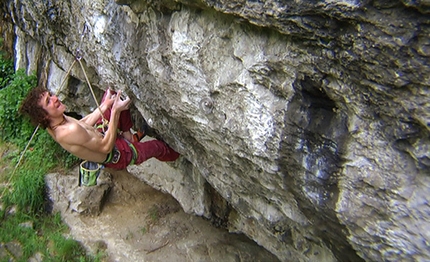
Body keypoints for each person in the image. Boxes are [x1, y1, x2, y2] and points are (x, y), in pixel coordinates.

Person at [20, 86, 180, 170]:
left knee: (113, 95)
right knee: (157, 147)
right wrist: (115, 111)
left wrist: (106, 105)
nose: (55, 98)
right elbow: (105, 147)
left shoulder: (56, 121)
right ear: (43, 116)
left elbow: (82, 124)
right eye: (49, 101)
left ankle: (129, 137)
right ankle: (177, 153)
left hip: (101, 135)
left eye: (50, 95)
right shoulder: (67, 132)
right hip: (118, 153)